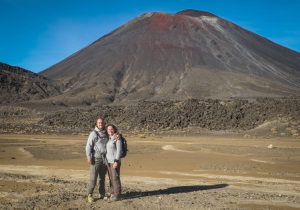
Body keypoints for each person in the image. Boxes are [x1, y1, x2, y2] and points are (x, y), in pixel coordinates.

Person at [85, 118, 108, 202]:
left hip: (104, 159)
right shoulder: (93, 134)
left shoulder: (106, 133)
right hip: (95, 159)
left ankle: (101, 193)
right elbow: (88, 146)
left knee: (102, 178)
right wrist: (89, 157)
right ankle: (89, 194)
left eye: (102, 122)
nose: (101, 124)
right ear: (96, 124)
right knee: (93, 178)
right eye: (99, 123)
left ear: (104, 123)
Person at [106, 124, 122, 201]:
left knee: (115, 178)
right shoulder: (109, 138)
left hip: (115, 162)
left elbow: (119, 151)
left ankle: (117, 195)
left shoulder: (117, 138)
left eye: (111, 129)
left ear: (114, 130)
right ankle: (112, 193)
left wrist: (116, 161)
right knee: (111, 178)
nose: (110, 130)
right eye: (108, 129)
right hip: (108, 162)